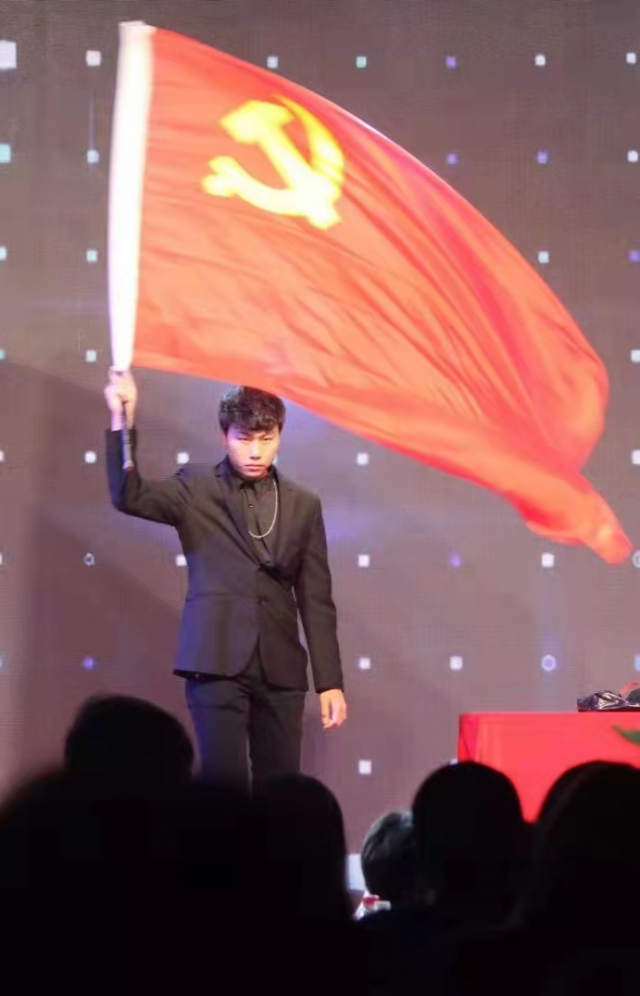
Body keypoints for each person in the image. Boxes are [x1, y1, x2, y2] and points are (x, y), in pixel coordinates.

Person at [104, 370, 346, 788]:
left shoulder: (303, 504)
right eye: (244, 438)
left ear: (280, 436)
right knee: (224, 787)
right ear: (224, 436)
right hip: (214, 664)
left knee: (280, 791)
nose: (255, 451)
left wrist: (330, 683)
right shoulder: (195, 487)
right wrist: (121, 417)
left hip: (281, 670)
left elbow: (315, 598)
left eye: (266, 439)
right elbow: (130, 495)